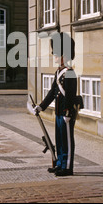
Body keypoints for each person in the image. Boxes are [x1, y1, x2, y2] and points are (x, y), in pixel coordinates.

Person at [33, 32, 77, 176]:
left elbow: (70, 95)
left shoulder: (70, 72)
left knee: (67, 141)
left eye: (57, 54)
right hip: (59, 112)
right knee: (59, 140)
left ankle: (68, 167)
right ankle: (60, 163)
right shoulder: (59, 72)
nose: (55, 57)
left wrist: (68, 113)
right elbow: (53, 92)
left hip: (66, 113)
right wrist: (41, 106)